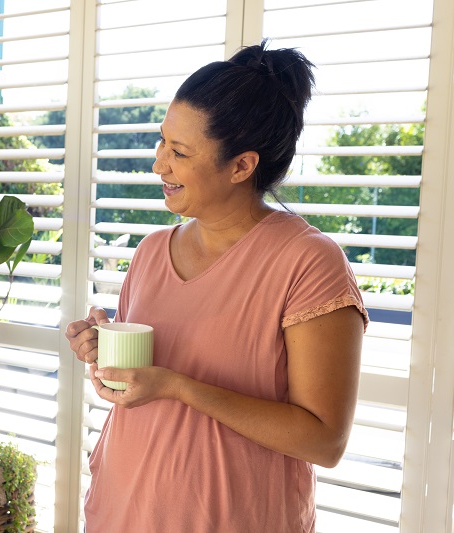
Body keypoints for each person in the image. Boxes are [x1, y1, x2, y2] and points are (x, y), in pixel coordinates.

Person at [66, 41, 368, 532]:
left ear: (242, 166)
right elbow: (139, 385)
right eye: (162, 141)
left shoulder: (308, 262)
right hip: (123, 511)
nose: (158, 164)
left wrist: (179, 387)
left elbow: (323, 440)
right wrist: (104, 350)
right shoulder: (150, 252)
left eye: (179, 152)